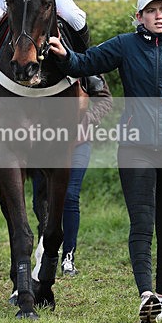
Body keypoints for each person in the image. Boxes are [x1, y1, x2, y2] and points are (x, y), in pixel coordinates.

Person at [49, 0, 162, 323]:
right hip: (136, 147)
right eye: (151, 10)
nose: (158, 15)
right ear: (139, 17)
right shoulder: (124, 46)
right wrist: (62, 53)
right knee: (142, 224)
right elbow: (85, 64)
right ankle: (146, 296)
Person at [61, 76, 113, 276]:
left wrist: (88, 119)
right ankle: (45, 252)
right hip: (45, 143)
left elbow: (105, 99)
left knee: (70, 195)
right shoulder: (39, 57)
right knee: (42, 199)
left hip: (79, 142)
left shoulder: (85, 61)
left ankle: (68, 256)